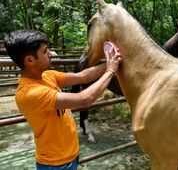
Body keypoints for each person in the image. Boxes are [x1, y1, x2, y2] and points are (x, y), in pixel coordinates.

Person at [3, 29, 122, 169]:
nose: (50, 54)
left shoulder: (46, 76)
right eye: (45, 51)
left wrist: (110, 62)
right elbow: (85, 99)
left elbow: (84, 76)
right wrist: (110, 71)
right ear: (29, 60)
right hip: (55, 164)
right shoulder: (30, 93)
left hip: (70, 156)